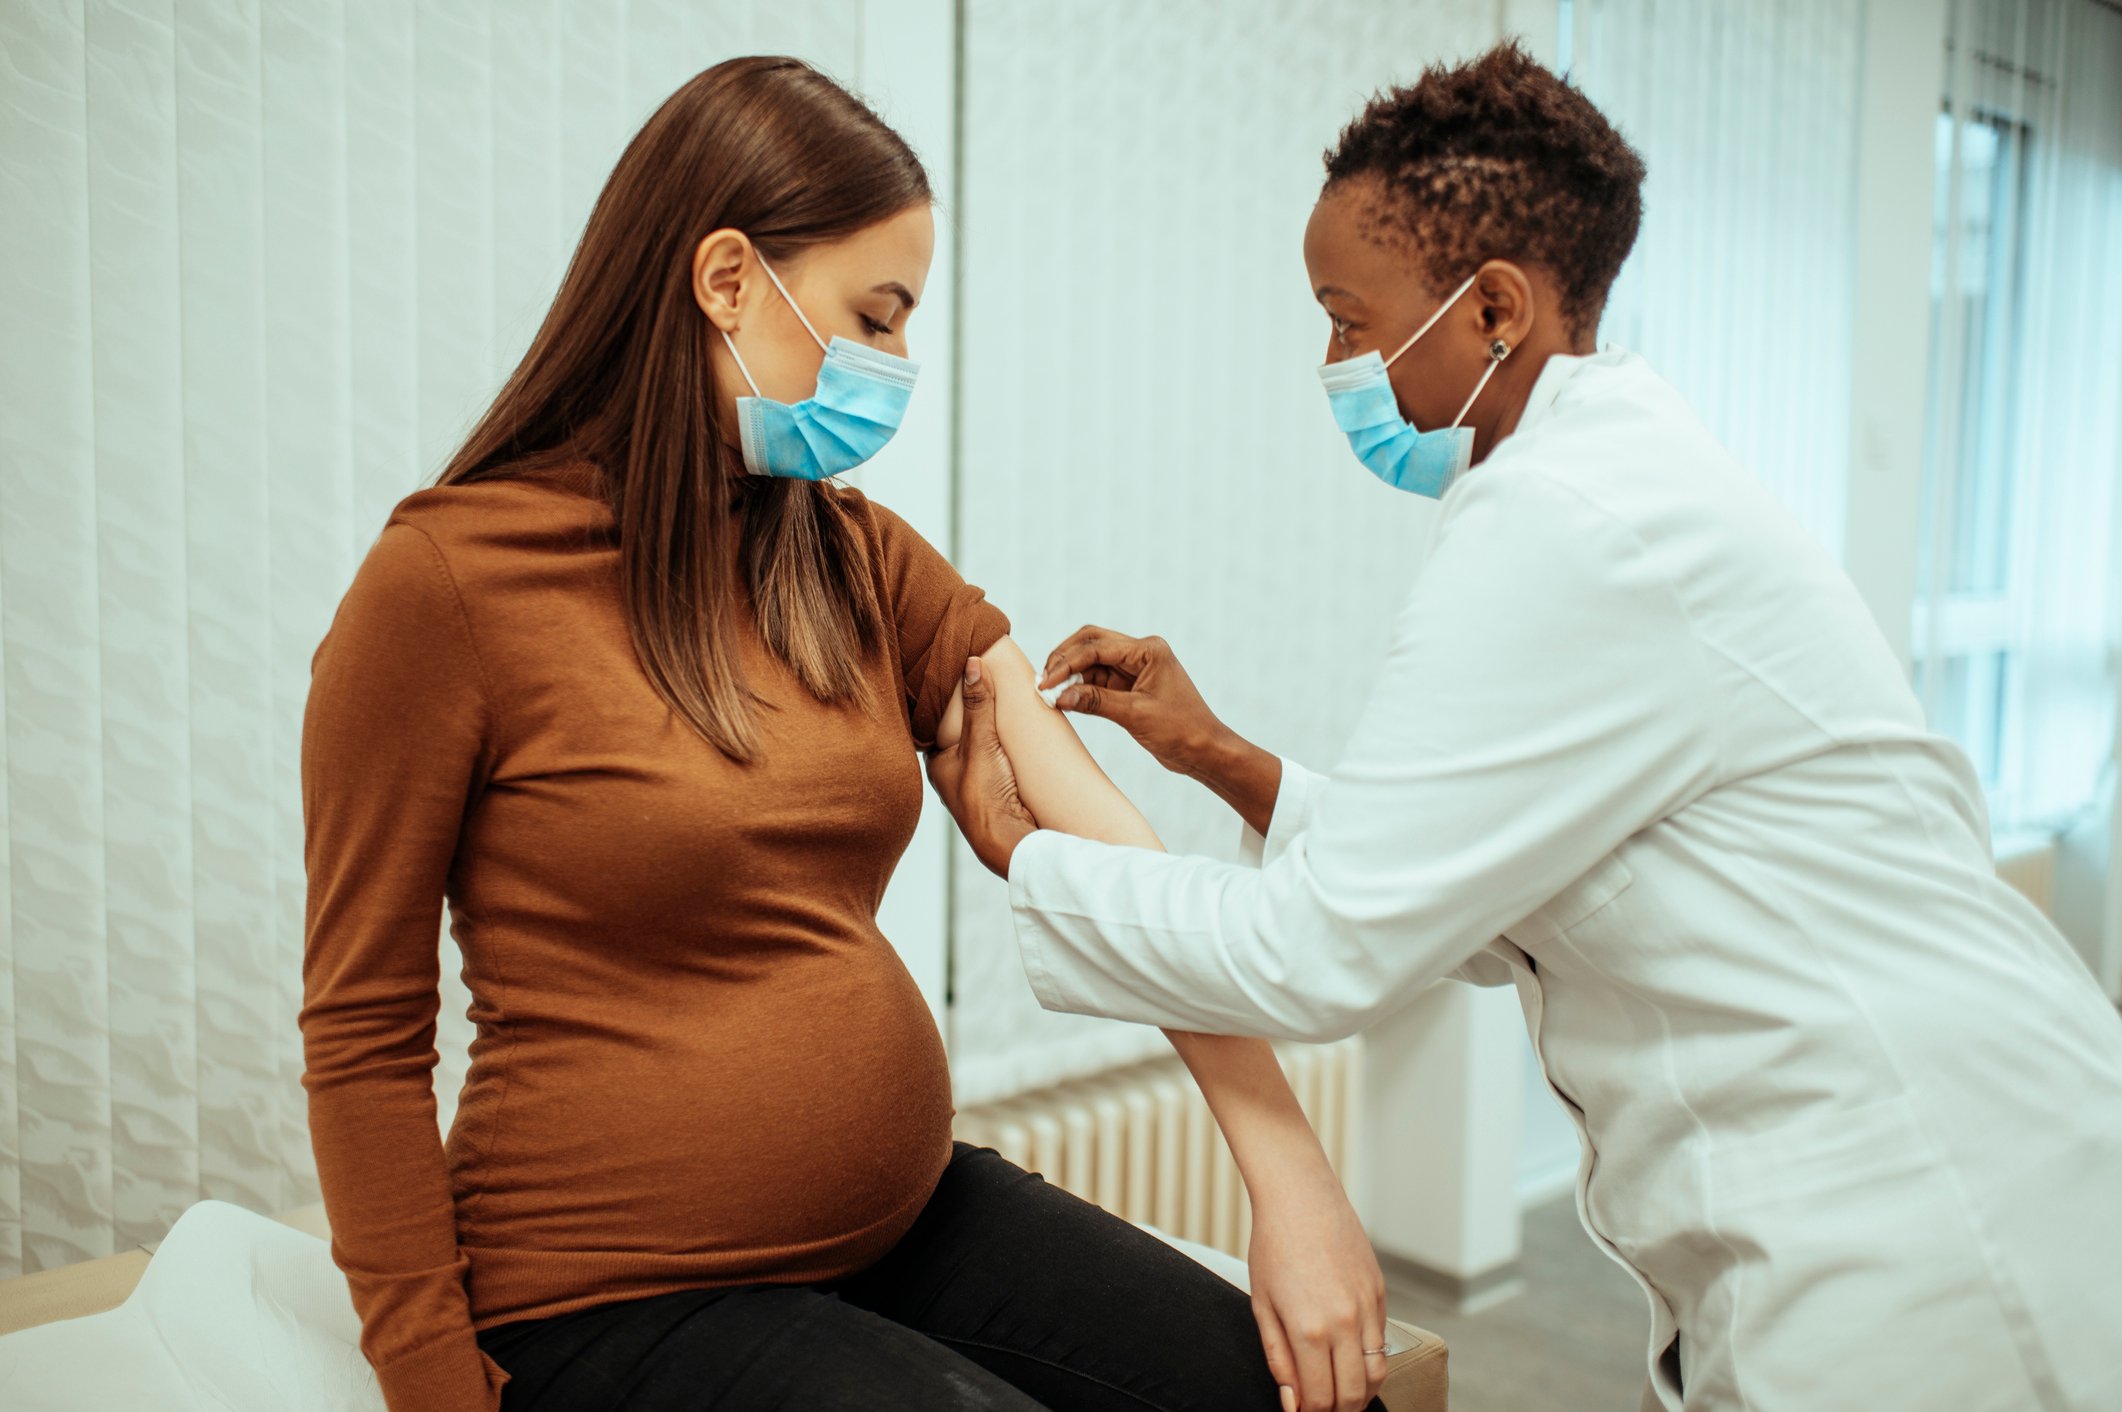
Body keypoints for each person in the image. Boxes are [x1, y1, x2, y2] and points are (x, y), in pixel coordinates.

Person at [926, 40, 2122, 1412]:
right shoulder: (1608, 491)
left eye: (1345, 317)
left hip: (1919, 1215)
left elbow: (1323, 952)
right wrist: (1221, 757)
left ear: (1491, 306)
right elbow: (1493, 900)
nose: (1331, 363)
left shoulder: (1564, 525)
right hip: (1915, 1160)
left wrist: (1025, 852)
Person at [299, 56, 1389, 1412]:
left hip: (901, 1221)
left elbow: (1104, 842)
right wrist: (426, 1381)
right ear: (726, 280)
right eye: (874, 318)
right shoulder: (449, 584)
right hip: (613, 1292)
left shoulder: (850, 558)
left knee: (1280, 1393)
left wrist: (1291, 1184)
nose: (896, 366)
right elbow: (363, 1032)